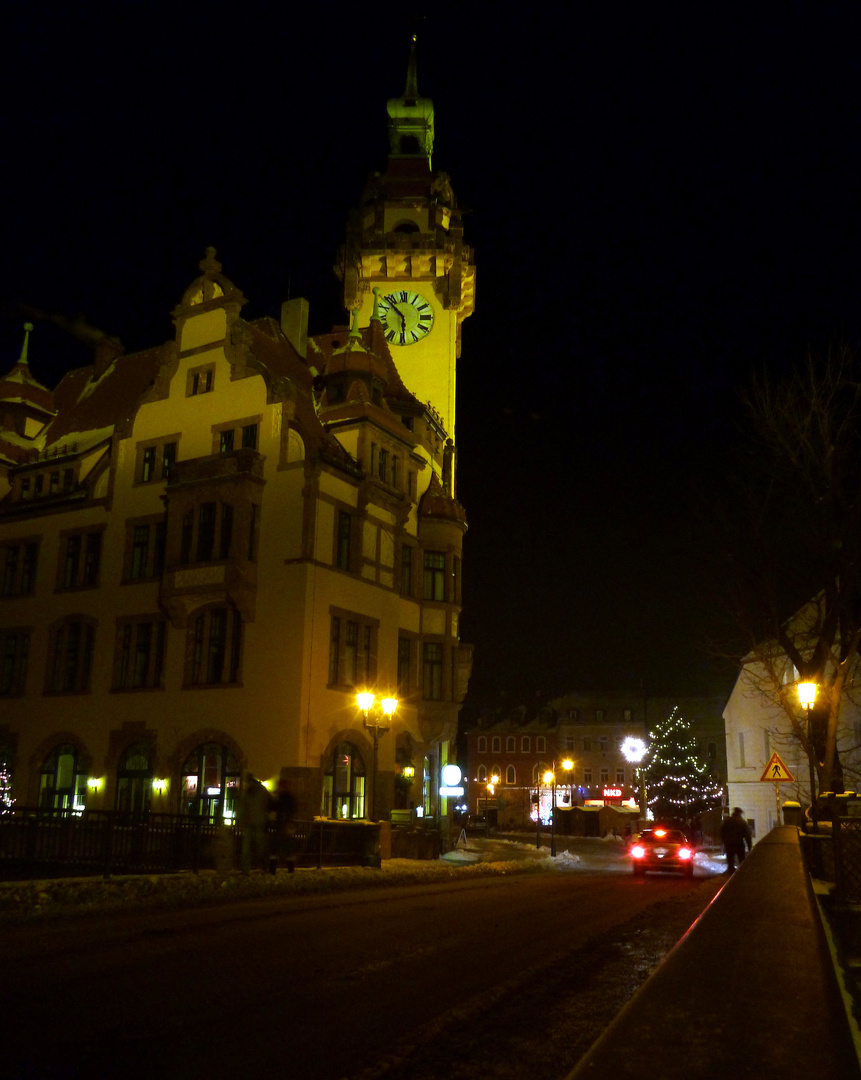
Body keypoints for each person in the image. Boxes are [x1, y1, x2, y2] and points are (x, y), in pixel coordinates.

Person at [237, 773, 271, 873]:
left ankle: (247, 868)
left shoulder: (248, 792)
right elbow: (269, 803)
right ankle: (262, 866)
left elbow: (242, 808)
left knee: (249, 847)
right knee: (258, 846)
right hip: (258, 821)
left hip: (254, 822)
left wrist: (241, 819)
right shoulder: (261, 790)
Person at [720, 807, 752, 872]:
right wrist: (749, 846)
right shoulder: (742, 822)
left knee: (730, 860)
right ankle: (741, 873)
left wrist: (725, 841)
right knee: (741, 860)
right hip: (739, 843)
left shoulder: (727, 821)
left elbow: (722, 832)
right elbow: (747, 835)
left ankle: (730, 875)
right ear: (739, 813)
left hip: (729, 843)